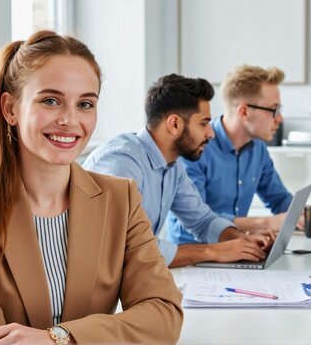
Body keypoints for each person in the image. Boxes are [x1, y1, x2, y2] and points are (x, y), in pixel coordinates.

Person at [0, 31, 182, 344]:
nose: (70, 120)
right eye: (50, 101)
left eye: (85, 104)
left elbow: (164, 314)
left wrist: (58, 337)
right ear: (10, 109)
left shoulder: (120, 199)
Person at [83, 74, 274, 268]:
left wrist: (240, 240)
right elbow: (124, 247)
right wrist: (213, 251)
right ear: (174, 124)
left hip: (133, 280)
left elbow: (202, 220)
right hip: (93, 289)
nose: (211, 132)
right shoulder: (121, 163)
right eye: (203, 123)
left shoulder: (172, 166)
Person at [166, 65, 294, 246]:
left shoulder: (258, 149)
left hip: (234, 249)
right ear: (244, 112)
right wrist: (264, 223)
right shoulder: (195, 147)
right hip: (194, 258)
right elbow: (191, 221)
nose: (280, 119)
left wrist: (308, 215)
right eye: (274, 109)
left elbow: (280, 200)